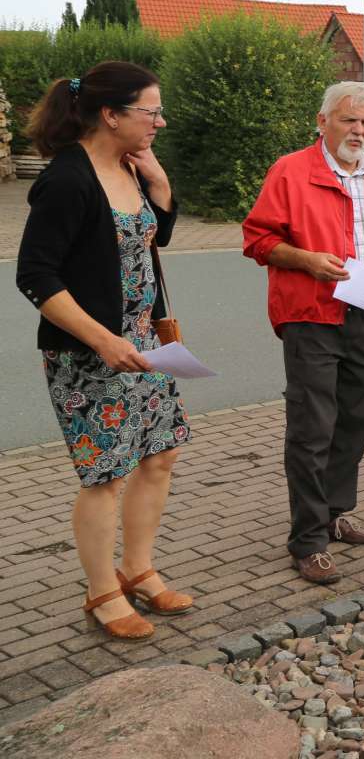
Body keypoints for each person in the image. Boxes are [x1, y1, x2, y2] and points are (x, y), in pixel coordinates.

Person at [17, 62, 192, 639]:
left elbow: (147, 239)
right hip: (91, 353)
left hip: (144, 342)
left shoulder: (131, 166)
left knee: (159, 456)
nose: (160, 122)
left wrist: (161, 187)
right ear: (111, 115)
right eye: (151, 111)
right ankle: (100, 592)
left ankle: (138, 569)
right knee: (106, 475)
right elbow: (35, 275)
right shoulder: (66, 180)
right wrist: (103, 339)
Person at [243, 82, 364, 584]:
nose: (359, 131)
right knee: (313, 427)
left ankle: (335, 513)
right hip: (309, 314)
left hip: (363, 310)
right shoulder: (291, 171)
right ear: (323, 121)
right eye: (349, 121)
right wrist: (307, 261)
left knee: (355, 418)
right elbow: (257, 239)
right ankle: (307, 538)